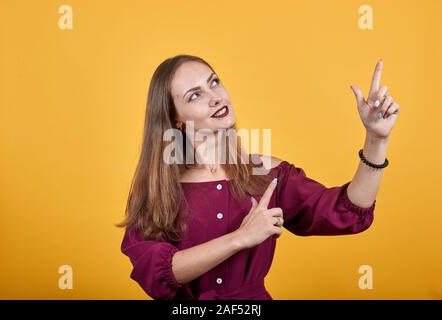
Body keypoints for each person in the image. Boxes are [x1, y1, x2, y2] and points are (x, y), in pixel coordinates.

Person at [117, 54, 400, 300]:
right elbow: (155, 274)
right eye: (195, 95)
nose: (215, 96)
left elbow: (348, 212)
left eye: (213, 82)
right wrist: (241, 238)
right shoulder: (159, 189)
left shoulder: (268, 174)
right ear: (175, 118)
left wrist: (376, 139)